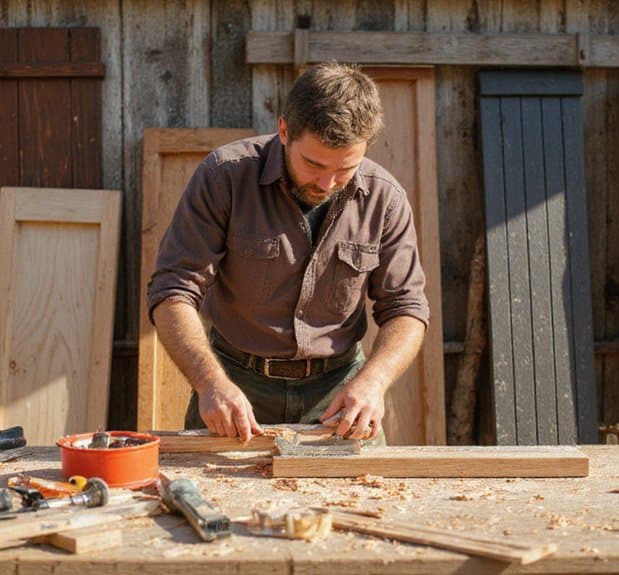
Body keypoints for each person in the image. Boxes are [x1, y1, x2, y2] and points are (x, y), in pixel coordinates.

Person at [146, 62, 429, 444]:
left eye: (345, 168)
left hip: (341, 395)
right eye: (313, 164)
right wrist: (210, 382)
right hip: (235, 386)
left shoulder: (386, 198)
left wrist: (374, 382)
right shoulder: (224, 177)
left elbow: (406, 309)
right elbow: (173, 290)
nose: (327, 183)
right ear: (283, 131)